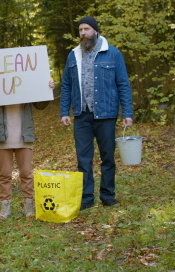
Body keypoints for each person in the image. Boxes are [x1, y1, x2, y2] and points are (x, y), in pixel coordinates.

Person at [60, 16, 133, 210]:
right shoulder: (73, 55)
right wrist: (64, 111)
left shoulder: (112, 53)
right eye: (80, 30)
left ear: (95, 31)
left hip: (106, 114)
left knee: (107, 156)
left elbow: (123, 84)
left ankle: (108, 196)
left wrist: (127, 113)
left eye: (86, 29)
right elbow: (66, 85)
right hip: (81, 114)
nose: (83, 33)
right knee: (83, 158)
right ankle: (86, 198)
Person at [0, 80, 55, 220]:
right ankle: (5, 209)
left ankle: (29, 208)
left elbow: (40, 104)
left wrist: (47, 89)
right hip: (3, 135)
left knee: (26, 173)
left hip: (24, 135)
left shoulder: (26, 82)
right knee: (5, 174)